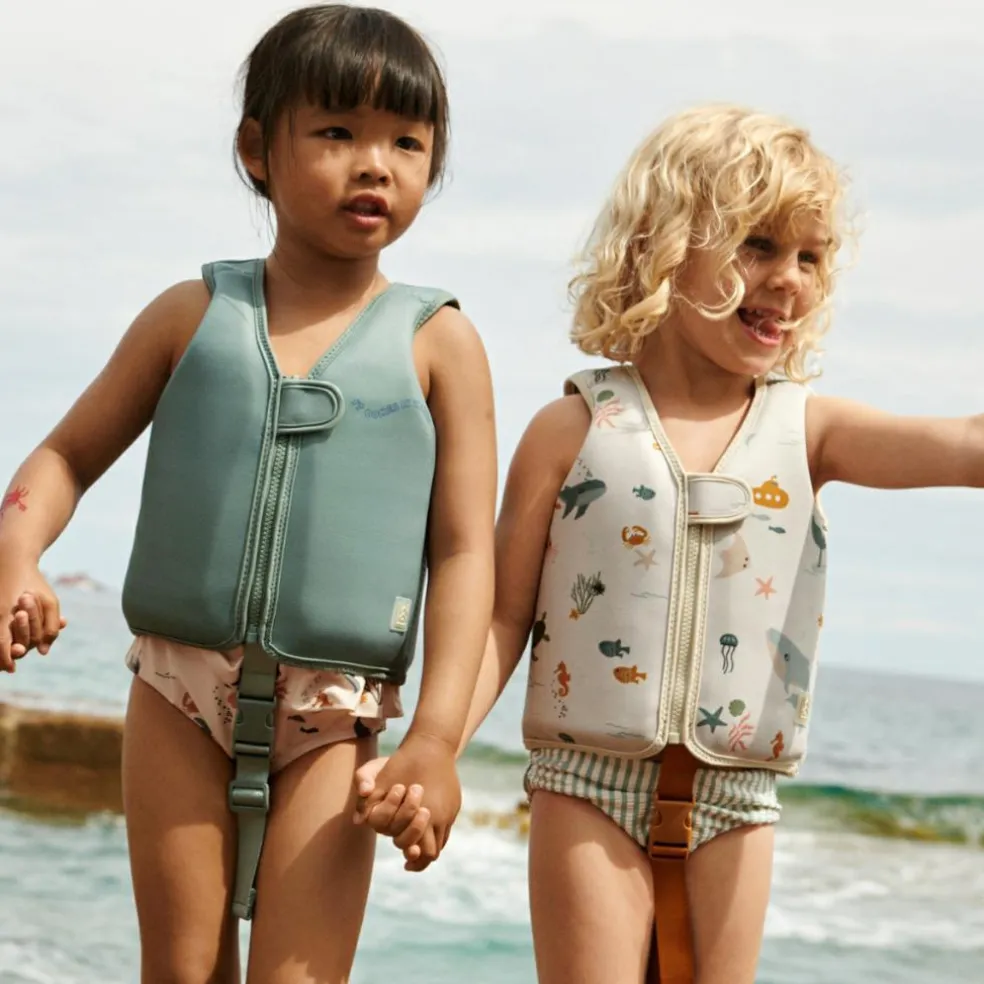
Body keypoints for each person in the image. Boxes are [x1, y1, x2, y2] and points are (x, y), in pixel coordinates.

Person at [354, 104, 984, 984]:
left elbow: (965, 446)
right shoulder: (572, 428)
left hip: (738, 798)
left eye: (810, 257)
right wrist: (438, 749)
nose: (789, 279)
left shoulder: (812, 431)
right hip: (586, 786)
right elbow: (502, 617)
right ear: (663, 245)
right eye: (759, 245)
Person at [0, 5, 496, 982]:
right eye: (338, 132)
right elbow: (63, 457)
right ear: (257, 150)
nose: (376, 165)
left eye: (407, 142)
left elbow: (465, 549)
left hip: (335, 714)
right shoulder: (190, 316)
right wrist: (19, 555)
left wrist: (437, 740)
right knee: (181, 972)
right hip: (176, 691)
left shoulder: (439, 343)